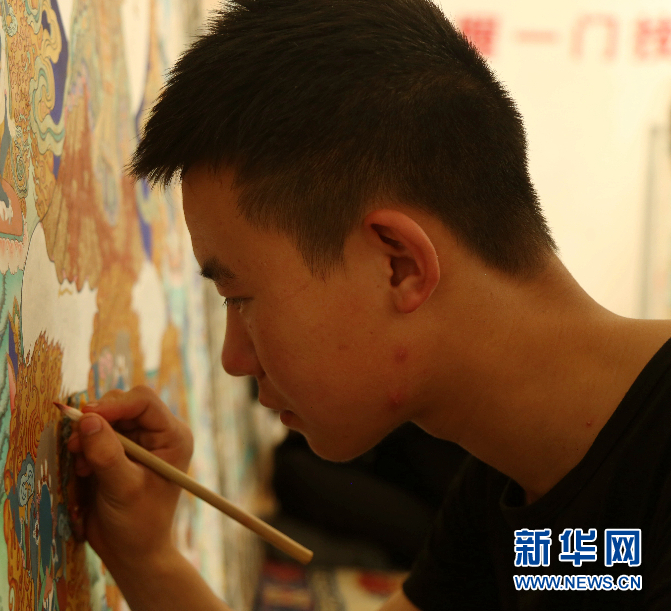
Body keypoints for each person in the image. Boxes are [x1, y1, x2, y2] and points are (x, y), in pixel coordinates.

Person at [66, 0, 671, 608]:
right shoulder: (509, 483)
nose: (234, 359)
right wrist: (145, 555)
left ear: (398, 265)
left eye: (240, 297)